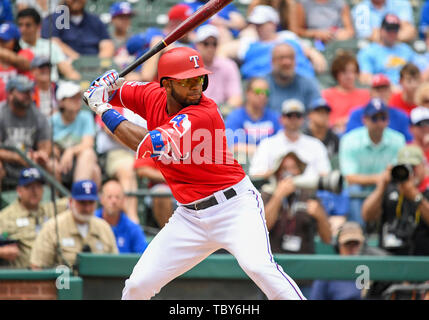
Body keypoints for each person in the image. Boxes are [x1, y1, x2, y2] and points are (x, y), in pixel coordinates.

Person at [83, 47, 306, 300]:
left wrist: (101, 109)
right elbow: (115, 91)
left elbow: (145, 145)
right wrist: (106, 84)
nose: (196, 87)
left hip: (234, 207)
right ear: (166, 85)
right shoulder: (150, 94)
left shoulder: (203, 113)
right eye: (188, 81)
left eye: (199, 79)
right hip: (189, 216)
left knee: (259, 268)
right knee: (137, 285)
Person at [261, 151, 331, 297]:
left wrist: (321, 216)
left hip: (304, 273)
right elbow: (263, 228)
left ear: (300, 172)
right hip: (274, 274)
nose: (289, 173)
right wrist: (279, 196)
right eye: (284, 168)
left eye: (293, 168)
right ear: (277, 173)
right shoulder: (267, 194)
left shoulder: (309, 195)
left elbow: (327, 239)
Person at [339, 98, 406, 226]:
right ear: (365, 120)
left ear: (388, 120)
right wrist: (379, 179)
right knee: (353, 190)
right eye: (375, 118)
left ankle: (394, 232)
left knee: (397, 189)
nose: (379, 123)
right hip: (361, 188)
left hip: (387, 186)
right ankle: (359, 233)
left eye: (383, 118)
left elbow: (398, 171)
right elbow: (349, 178)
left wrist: (383, 181)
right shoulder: (350, 140)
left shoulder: (398, 140)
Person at [30, 180, 118, 269]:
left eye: (91, 203)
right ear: (71, 201)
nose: (87, 208)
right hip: (62, 282)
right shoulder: (53, 226)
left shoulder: (104, 228)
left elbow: (115, 265)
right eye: (82, 203)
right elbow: (37, 266)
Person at [226, 5, 326, 80]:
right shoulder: (248, 42)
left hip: (298, 80)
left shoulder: (288, 36)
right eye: (256, 24)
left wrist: (315, 55)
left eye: (261, 24)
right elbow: (223, 52)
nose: (258, 28)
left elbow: (312, 55)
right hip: (263, 88)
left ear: (273, 23)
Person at [362, 145, 429, 256]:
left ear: (423, 166)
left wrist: (415, 196)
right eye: (404, 167)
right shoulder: (389, 189)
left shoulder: (426, 191)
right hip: (389, 258)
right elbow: (367, 215)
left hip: (422, 260)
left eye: (413, 166)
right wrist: (381, 186)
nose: (410, 172)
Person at [0, 167, 68, 268]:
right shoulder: (5, 216)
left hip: (52, 274)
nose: (34, 191)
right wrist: (2, 251)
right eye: (29, 187)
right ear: (19, 191)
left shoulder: (49, 209)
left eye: (38, 186)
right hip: (23, 276)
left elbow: (75, 203)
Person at [249, 98, 331, 178]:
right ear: (281, 118)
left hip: (309, 189)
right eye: (289, 115)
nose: (293, 119)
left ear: (302, 119)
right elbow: (255, 174)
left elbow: (326, 174)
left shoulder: (315, 144)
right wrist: (277, 173)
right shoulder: (267, 144)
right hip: (277, 189)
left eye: (297, 115)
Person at [0, 75, 51, 191]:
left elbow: (45, 145)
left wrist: (41, 155)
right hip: (6, 163)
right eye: (23, 92)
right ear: (10, 94)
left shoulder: (37, 115)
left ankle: (55, 205)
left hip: (30, 161)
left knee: (53, 166)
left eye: (30, 91)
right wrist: (18, 157)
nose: (28, 95)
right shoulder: (1, 113)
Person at [51, 81, 101, 189]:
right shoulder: (53, 120)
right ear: (61, 102)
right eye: (72, 98)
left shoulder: (85, 117)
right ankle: (61, 198)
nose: (77, 101)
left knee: (89, 156)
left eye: (78, 97)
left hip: (80, 162)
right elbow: (50, 147)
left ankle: (78, 197)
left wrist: (71, 151)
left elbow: (88, 143)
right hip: (60, 164)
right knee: (52, 164)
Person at [225, 77, 281, 165]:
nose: (262, 96)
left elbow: (282, 143)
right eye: (258, 92)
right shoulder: (235, 116)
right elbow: (233, 147)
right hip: (244, 164)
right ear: (247, 93)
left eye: (266, 92)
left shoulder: (274, 117)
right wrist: (264, 150)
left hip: (270, 164)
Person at [17, 7, 80, 82]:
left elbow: (67, 71)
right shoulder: (15, 46)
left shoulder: (51, 46)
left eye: (28, 25)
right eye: (20, 25)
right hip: (27, 88)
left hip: (53, 87)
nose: (23, 29)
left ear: (38, 26)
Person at [357, 13, 420, 86]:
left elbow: (418, 73)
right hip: (383, 91)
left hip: (406, 91)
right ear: (381, 30)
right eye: (389, 29)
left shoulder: (406, 49)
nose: (392, 33)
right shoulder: (368, 51)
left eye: (395, 30)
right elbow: (365, 78)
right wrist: (389, 86)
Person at [345, 74, 413, 142]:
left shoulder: (401, 116)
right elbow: (349, 140)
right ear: (370, 92)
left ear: (390, 92)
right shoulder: (357, 114)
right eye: (378, 90)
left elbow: (408, 142)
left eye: (385, 90)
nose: (382, 93)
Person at [194, 24, 243, 115]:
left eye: (214, 44)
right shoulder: (191, 66)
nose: (210, 48)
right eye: (206, 43)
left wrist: (218, 112)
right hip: (196, 112)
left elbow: (236, 98)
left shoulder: (228, 65)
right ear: (198, 45)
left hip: (220, 113)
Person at [310, 222, 366, 300]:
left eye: (356, 244)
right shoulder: (327, 272)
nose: (352, 249)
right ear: (338, 246)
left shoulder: (368, 270)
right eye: (348, 244)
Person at [41, 0, 114, 59]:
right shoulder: (53, 20)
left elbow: (107, 45)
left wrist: (97, 64)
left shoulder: (96, 21)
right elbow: (53, 43)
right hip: (66, 69)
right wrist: (78, 60)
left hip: (95, 69)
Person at [321, 51, 370, 134]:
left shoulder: (366, 95)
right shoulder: (327, 95)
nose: (349, 76)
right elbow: (325, 120)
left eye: (353, 72)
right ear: (337, 74)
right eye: (344, 72)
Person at [95, 179, 148, 254]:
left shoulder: (133, 228)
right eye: (109, 197)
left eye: (117, 197)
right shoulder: (91, 221)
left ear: (123, 200)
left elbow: (143, 256)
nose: (114, 201)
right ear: (101, 199)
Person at [266, 42, 321, 113]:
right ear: (272, 61)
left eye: (291, 58)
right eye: (281, 58)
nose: (287, 62)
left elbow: (317, 113)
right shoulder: (263, 85)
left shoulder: (308, 84)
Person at [134, 157, 174, 229]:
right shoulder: (156, 146)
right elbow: (142, 169)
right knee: (161, 193)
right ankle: (171, 234)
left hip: (191, 187)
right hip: (164, 186)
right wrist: (171, 177)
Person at [351, 0, 416, 42]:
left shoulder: (401, 3)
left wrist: (383, 35)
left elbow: (409, 32)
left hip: (400, 49)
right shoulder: (360, 9)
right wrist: (395, 33)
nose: (391, 34)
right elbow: (368, 36)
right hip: (374, 51)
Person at [303, 98, 339, 163]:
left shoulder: (334, 138)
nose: (323, 115)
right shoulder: (303, 136)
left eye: (326, 112)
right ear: (310, 115)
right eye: (319, 112)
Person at [109, 2, 135, 71]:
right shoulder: (106, 38)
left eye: (128, 17)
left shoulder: (134, 38)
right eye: (121, 17)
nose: (125, 21)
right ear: (112, 19)